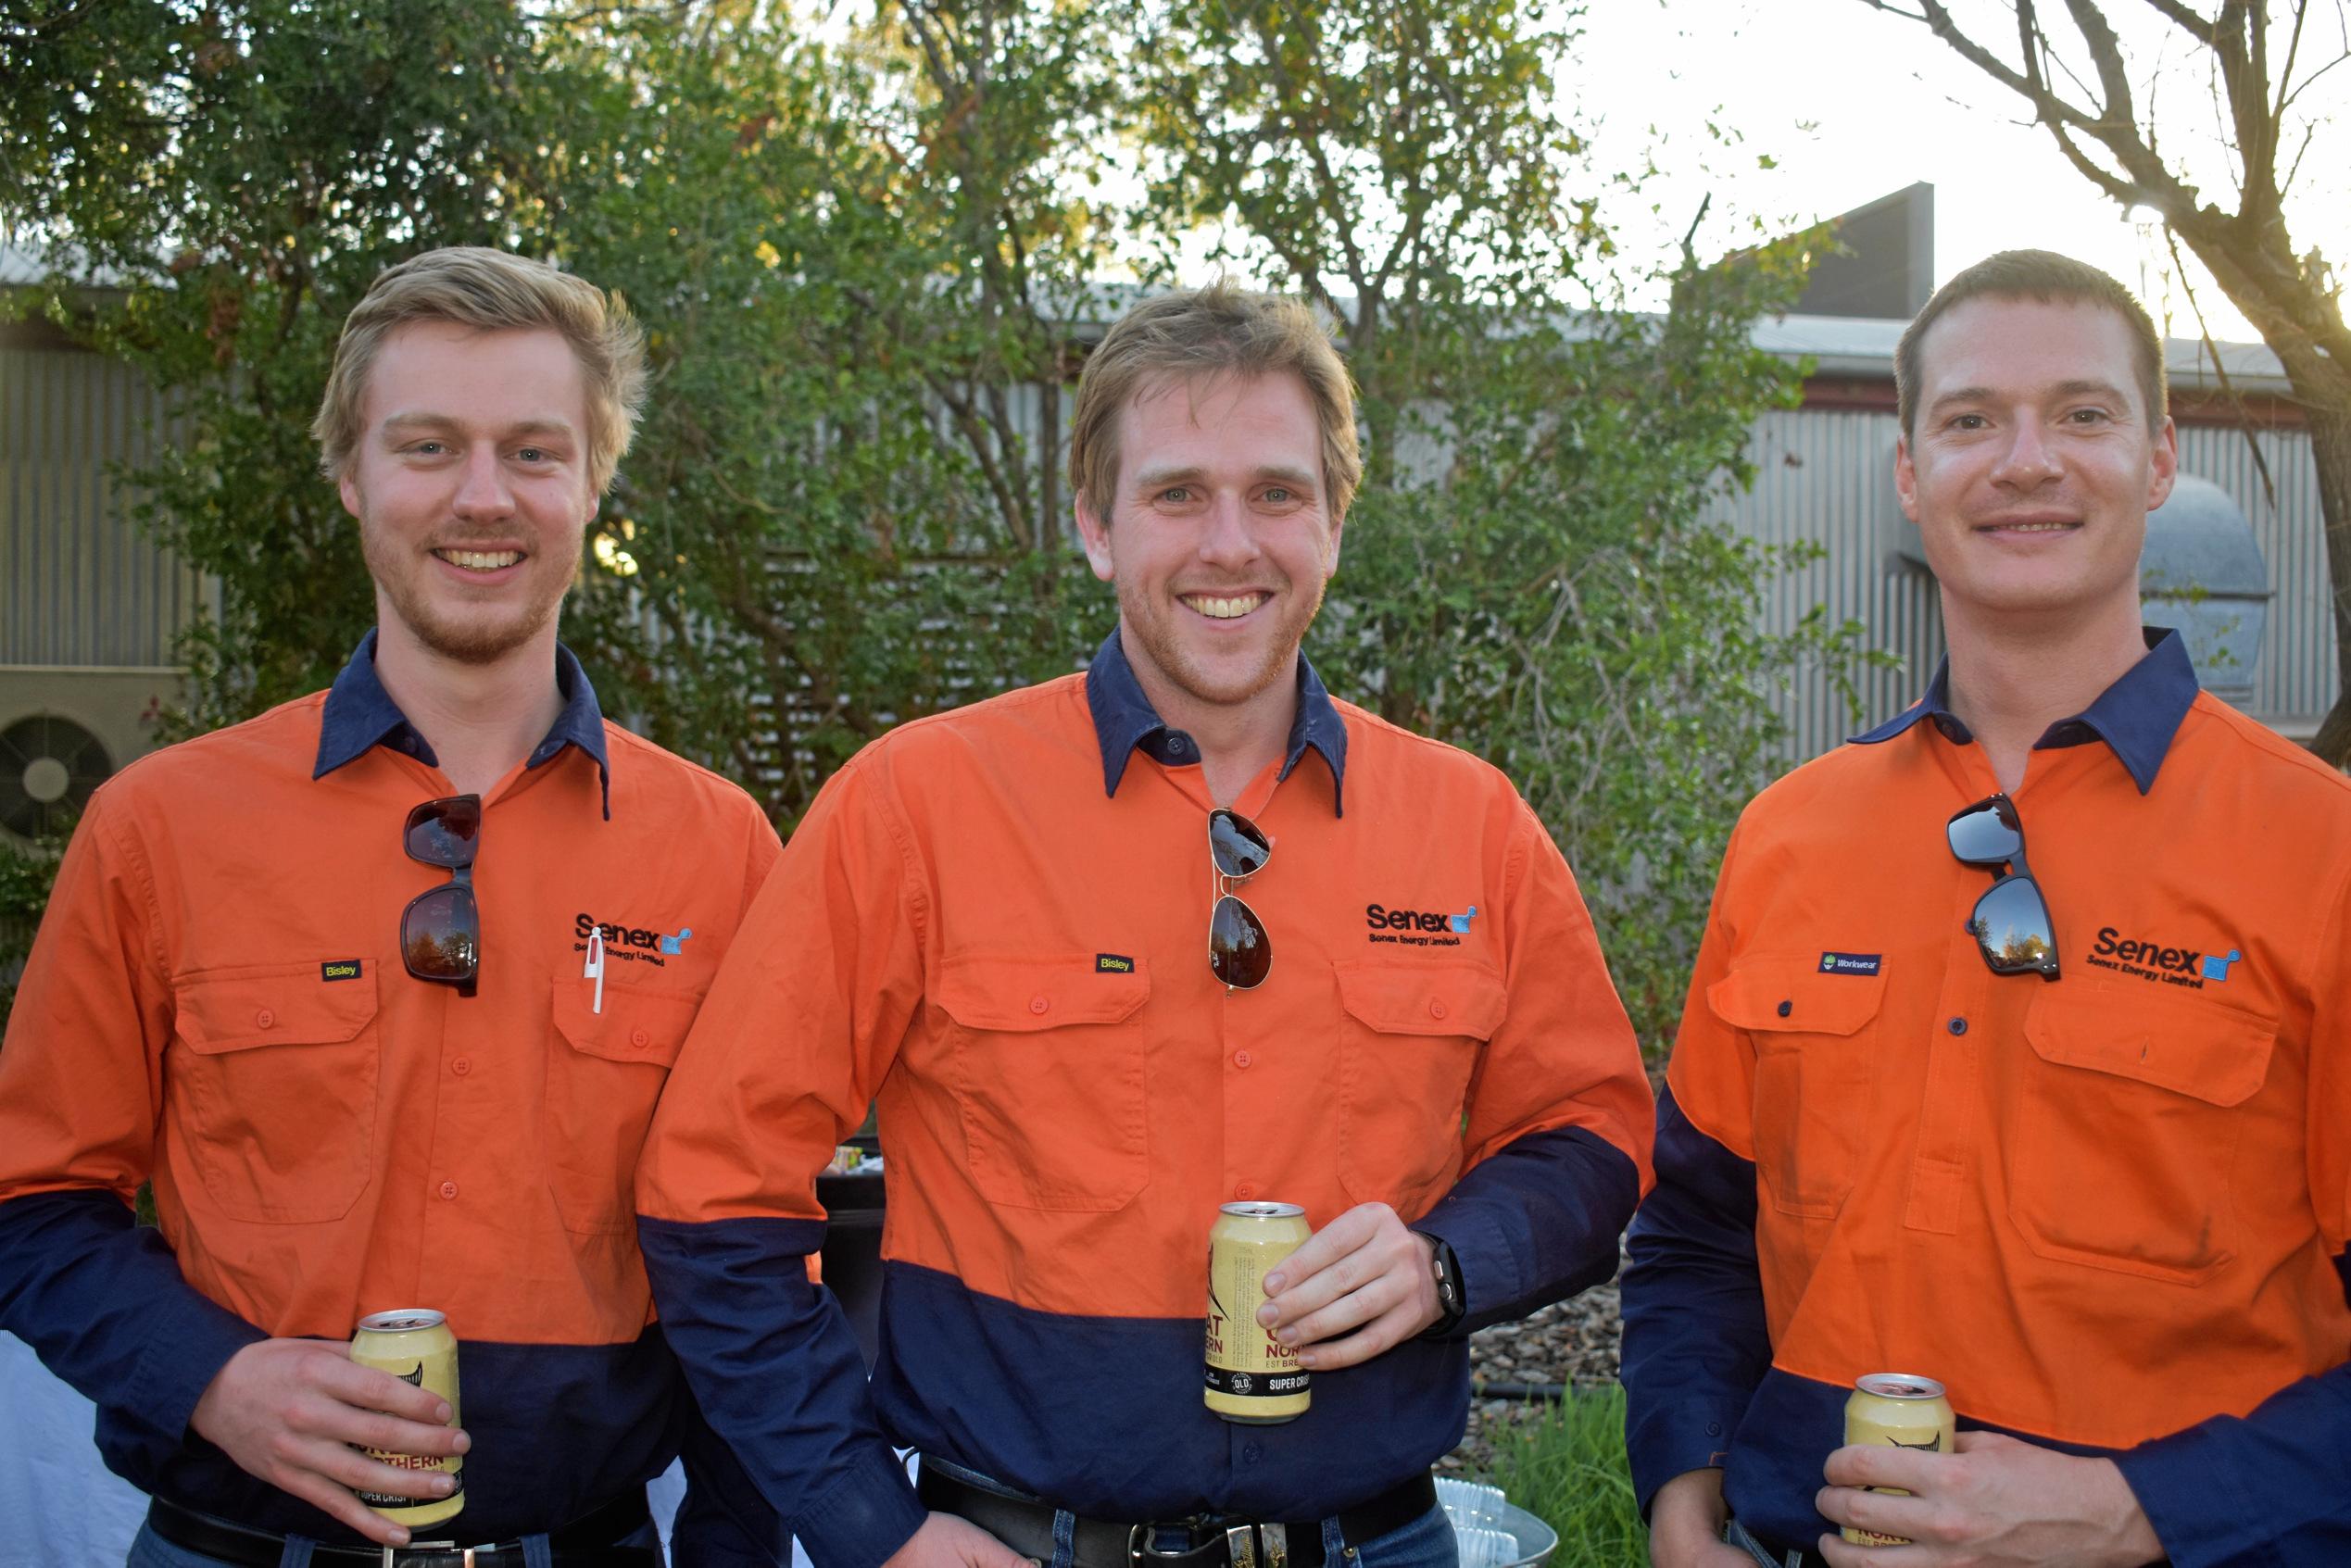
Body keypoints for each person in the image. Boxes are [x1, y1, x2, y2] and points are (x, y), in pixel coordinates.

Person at [634, 283, 1656, 1568]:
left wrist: (1442, 1264)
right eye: (1177, 494)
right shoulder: (917, 806)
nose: (1229, 542)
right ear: (1095, 527)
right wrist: (869, 1526)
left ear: (1335, 521)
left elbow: (1591, 1137)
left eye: (1277, 493)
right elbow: (711, 1192)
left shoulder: (1471, 824)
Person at [0, 247, 786, 1567]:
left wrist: (733, 1541)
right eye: (428, 445)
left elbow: (756, 1244)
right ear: (351, 472)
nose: (483, 497)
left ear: (594, 483)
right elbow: (28, 1200)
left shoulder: (719, 851)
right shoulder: (164, 826)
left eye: (534, 452)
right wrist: (213, 1376)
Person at [1621, 249, 2351, 1568]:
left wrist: (2140, 1507)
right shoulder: (1787, 835)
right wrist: (1680, 1493)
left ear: (2157, 457)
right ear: (1908, 473)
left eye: (2080, 413)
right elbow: (1695, 1233)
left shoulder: (2321, 854)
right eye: (1969, 420)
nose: (2025, 460)